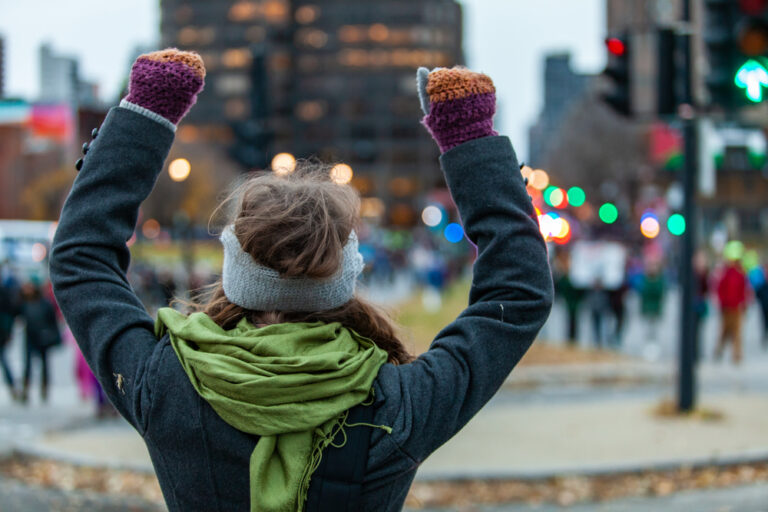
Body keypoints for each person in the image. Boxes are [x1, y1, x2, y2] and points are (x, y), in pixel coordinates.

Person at [49, 50, 552, 511]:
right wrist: (468, 135)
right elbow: (518, 291)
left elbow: (81, 259)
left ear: (236, 269)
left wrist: (147, 113)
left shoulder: (168, 384)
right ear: (344, 274)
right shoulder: (399, 403)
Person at [18, 280, 61, 403]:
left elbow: (53, 322)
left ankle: (44, 389)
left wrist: (54, 337)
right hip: (30, 337)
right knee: (27, 365)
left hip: (43, 337)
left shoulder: (45, 303)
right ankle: (25, 390)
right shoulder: (23, 303)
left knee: (44, 364)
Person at [715, 255, 748, 363]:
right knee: (725, 332)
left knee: (736, 332)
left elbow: (744, 291)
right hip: (727, 308)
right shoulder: (727, 274)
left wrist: (743, 304)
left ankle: (736, 355)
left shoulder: (740, 275)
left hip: (736, 308)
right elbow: (721, 289)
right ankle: (719, 351)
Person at [0, 264, 20, 400]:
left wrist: (8, 332)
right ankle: (13, 386)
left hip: (2, 332)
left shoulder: (4, 291)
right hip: (3, 331)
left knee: (4, 360)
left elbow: (11, 312)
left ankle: (13, 386)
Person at [639, 263, 665, 361]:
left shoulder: (659, 280)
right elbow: (643, 292)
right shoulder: (645, 279)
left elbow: (659, 292)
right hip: (647, 309)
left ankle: (654, 351)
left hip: (656, 309)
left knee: (655, 332)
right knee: (647, 332)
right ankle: (647, 351)